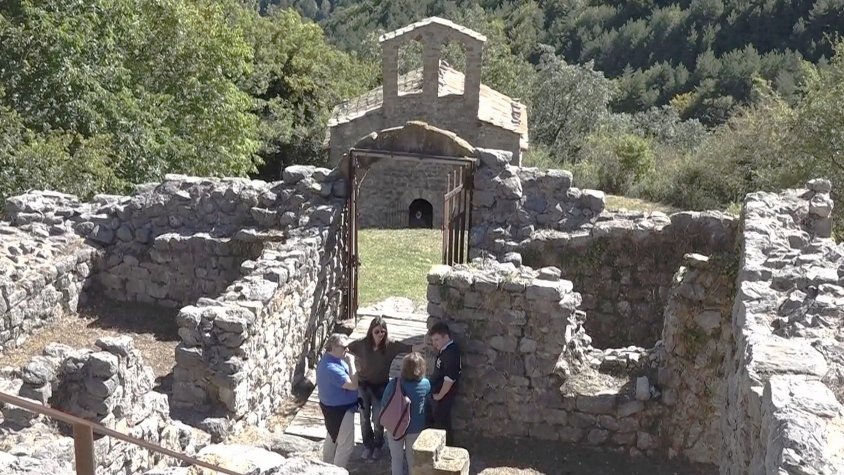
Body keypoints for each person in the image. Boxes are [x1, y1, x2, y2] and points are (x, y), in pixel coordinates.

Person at [348, 316, 424, 461]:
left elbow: (409, 348)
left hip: (380, 387)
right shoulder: (361, 344)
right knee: (364, 418)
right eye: (377, 331)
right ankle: (368, 445)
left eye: (383, 332)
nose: (380, 335)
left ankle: (378, 445)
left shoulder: (390, 346)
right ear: (371, 331)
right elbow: (346, 349)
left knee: (378, 418)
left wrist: (425, 344)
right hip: (363, 385)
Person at [381, 352, 431, 475]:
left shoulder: (393, 383)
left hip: (395, 426)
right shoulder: (425, 384)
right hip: (415, 428)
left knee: (396, 460)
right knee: (412, 460)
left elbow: (384, 403)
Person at [316, 333, 359, 468]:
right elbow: (353, 385)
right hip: (340, 412)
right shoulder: (331, 368)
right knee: (345, 446)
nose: (347, 350)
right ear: (334, 348)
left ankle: (326, 467)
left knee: (332, 437)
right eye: (344, 347)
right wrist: (352, 363)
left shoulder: (330, 360)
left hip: (331, 408)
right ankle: (336, 471)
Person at [427, 321, 461, 446]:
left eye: (437, 339)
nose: (434, 343)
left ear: (446, 337)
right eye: (433, 340)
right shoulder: (445, 350)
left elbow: (449, 379)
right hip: (439, 394)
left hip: (444, 396)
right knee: (438, 422)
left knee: (442, 424)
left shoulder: (451, 353)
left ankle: (447, 448)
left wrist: (439, 396)